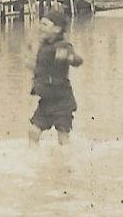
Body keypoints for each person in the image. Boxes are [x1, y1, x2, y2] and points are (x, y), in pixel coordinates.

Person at [28, 8, 83, 147]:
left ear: (57, 29)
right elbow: (41, 67)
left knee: (62, 137)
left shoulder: (63, 46)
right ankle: (33, 163)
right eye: (40, 24)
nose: (41, 28)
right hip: (46, 101)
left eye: (45, 24)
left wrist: (69, 57)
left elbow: (78, 60)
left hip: (62, 102)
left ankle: (65, 163)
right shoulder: (43, 46)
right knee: (33, 132)